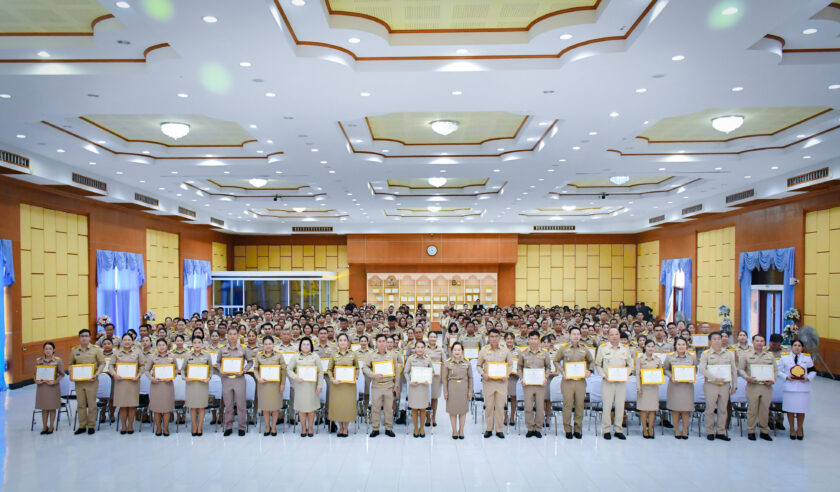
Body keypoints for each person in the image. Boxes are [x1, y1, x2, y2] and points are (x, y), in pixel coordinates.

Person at [594, 327, 633, 440]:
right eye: (612, 334)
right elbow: (598, 364)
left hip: (621, 382)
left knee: (620, 406)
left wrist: (625, 374)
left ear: (619, 336)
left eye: (616, 334)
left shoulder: (625, 349)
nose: (614, 336)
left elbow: (630, 365)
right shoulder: (603, 348)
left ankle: (618, 429)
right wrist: (604, 376)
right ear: (608, 336)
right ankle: (606, 430)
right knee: (607, 406)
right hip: (608, 381)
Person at [555, 326, 594, 439]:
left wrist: (590, 370)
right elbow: (556, 361)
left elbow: (592, 361)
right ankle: (567, 429)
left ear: (580, 336)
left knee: (580, 405)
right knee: (567, 405)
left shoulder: (584, 349)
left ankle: (577, 429)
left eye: (578, 334)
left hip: (580, 382)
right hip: (567, 382)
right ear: (569, 335)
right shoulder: (563, 348)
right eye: (574, 334)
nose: (576, 336)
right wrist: (562, 371)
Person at [215, 325, 254, 436]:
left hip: (239, 379)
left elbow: (250, 362)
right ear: (227, 336)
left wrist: (244, 370)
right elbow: (218, 362)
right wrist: (220, 369)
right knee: (228, 405)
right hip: (226, 379)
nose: (232, 336)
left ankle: (242, 427)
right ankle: (228, 426)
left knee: (241, 405)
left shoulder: (243, 349)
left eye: (234, 334)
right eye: (230, 334)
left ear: (238, 336)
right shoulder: (222, 349)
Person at [698, 331, 737, 441]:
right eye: (714, 339)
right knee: (710, 409)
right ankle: (710, 431)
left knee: (723, 409)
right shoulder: (705, 354)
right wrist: (714, 378)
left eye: (719, 339)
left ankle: (721, 432)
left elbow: (734, 370)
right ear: (710, 341)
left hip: (725, 385)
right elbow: (702, 369)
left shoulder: (728, 354)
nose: (717, 341)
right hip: (711, 385)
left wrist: (734, 385)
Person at [739, 334, 777, 441]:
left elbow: (775, 370)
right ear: (753, 342)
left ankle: (764, 431)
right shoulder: (746, 355)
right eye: (757, 341)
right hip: (753, 386)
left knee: (765, 410)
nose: (759, 343)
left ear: (764, 342)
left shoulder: (770, 356)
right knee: (752, 410)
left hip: (766, 386)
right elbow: (741, 369)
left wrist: (773, 380)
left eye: (762, 341)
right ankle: (751, 431)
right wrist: (747, 377)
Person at [68, 328, 105, 435]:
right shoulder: (74, 350)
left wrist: (96, 374)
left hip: (91, 381)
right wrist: (71, 374)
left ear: (90, 338)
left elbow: (102, 363)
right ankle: (82, 426)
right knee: (81, 404)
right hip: (79, 382)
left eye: (86, 336)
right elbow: (70, 364)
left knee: (92, 404)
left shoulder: (96, 350)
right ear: (79, 338)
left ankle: (91, 425)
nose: (84, 338)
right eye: (82, 336)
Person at [477, 328, 512, 438]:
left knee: (500, 407)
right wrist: (483, 374)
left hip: (501, 383)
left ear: (500, 338)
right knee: (489, 407)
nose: (494, 339)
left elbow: (510, 365)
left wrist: (507, 374)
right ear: (488, 337)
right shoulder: (484, 350)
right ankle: (489, 429)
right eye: (492, 336)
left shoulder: (505, 350)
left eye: (496, 336)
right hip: (489, 382)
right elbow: (478, 365)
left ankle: (499, 429)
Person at [363, 333, 400, 438]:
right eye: (379, 341)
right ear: (376, 343)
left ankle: (389, 428)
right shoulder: (371, 355)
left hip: (389, 385)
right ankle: (375, 428)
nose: (382, 343)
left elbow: (397, 371)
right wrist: (373, 375)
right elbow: (364, 367)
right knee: (376, 408)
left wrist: (396, 385)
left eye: (384, 341)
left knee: (388, 409)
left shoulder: (392, 355)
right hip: (376, 386)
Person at [778, 339, 815, 440]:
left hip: (802, 388)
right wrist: (786, 377)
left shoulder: (807, 358)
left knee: (801, 410)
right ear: (791, 347)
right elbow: (778, 371)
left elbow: (813, 371)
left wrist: (808, 378)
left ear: (802, 348)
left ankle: (799, 429)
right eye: (795, 345)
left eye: (799, 345)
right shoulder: (784, 357)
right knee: (790, 410)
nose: (797, 347)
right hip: (789, 387)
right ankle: (792, 429)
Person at [287, 337, 323, 437]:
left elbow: (320, 372)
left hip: (312, 387)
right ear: (300, 346)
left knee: (311, 408)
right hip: (300, 386)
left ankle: (310, 428)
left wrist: (319, 385)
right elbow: (289, 369)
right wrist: (295, 377)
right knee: (302, 408)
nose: (306, 346)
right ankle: (303, 428)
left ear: (311, 346)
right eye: (303, 344)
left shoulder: (315, 356)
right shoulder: (295, 356)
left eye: (308, 344)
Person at [519, 330, 550, 438]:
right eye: (531, 339)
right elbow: (519, 368)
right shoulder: (523, 353)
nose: (533, 341)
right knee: (528, 407)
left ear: (539, 340)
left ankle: (538, 428)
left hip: (540, 384)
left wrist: (546, 377)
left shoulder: (545, 353)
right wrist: (521, 378)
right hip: (527, 384)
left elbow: (548, 367)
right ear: (528, 340)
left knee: (540, 407)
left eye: (535, 339)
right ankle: (530, 428)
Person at [253, 335, 287, 436]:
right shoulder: (259, 355)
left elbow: (283, 370)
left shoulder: (279, 355)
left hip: (275, 385)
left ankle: (274, 426)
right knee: (265, 407)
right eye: (266, 344)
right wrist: (258, 378)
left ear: (273, 344)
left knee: (275, 407)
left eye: (270, 344)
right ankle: (267, 426)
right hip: (263, 385)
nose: (268, 346)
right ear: (263, 345)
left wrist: (282, 384)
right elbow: (255, 369)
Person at [327, 333, 359, 437]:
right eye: (340, 340)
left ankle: (346, 428)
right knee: (338, 406)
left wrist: (355, 377)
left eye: (345, 340)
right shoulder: (333, 354)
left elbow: (357, 368)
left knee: (347, 406)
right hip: (337, 385)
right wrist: (332, 379)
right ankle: (340, 427)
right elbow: (329, 369)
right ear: (338, 342)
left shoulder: (353, 354)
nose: (343, 342)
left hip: (349, 385)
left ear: (348, 342)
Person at [109, 333, 142, 435]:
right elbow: (110, 366)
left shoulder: (137, 352)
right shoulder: (116, 353)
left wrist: (138, 375)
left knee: (132, 405)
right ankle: (123, 426)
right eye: (125, 340)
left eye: (129, 340)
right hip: (120, 382)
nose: (127, 342)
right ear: (122, 341)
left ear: (132, 341)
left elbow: (143, 366)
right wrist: (114, 374)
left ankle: (130, 426)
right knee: (122, 405)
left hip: (133, 381)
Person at [664, 337, 696, 440]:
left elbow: (695, 369)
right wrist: (671, 376)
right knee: (675, 409)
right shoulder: (670, 357)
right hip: (675, 386)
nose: (681, 346)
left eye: (683, 344)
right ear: (675, 346)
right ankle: (677, 430)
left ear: (686, 346)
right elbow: (665, 369)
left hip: (687, 387)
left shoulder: (692, 357)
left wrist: (692, 377)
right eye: (679, 344)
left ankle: (685, 430)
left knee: (686, 409)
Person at [145, 338, 178, 436]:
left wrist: (172, 377)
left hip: (168, 385)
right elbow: (146, 370)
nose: (161, 347)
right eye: (159, 345)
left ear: (166, 346)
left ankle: (166, 429)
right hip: (156, 385)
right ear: (156, 346)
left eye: (163, 345)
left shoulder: (172, 356)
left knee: (167, 408)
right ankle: (158, 428)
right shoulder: (152, 357)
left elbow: (176, 369)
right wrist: (152, 378)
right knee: (157, 408)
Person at [442, 342, 472, 439]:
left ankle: (461, 430)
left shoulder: (467, 362)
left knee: (463, 411)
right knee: (453, 411)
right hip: (452, 388)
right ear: (452, 351)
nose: (457, 352)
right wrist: (445, 392)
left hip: (464, 388)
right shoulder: (447, 363)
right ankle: (454, 430)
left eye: (459, 349)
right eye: (455, 350)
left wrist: (470, 391)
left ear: (462, 351)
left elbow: (470, 378)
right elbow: (444, 379)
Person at [184, 335, 212, 436]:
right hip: (191, 384)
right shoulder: (187, 355)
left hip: (202, 384)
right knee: (192, 407)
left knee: (201, 407)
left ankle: (200, 427)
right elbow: (183, 370)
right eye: (195, 343)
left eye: (199, 342)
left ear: (202, 344)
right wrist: (184, 377)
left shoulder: (207, 355)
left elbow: (211, 370)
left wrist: (209, 378)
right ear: (192, 344)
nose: (197, 345)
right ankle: (194, 427)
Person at [34, 341, 64, 434]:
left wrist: (54, 382)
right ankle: (44, 427)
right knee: (44, 407)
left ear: (53, 350)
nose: (48, 350)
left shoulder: (58, 360)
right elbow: (35, 374)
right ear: (43, 350)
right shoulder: (39, 360)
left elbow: (62, 374)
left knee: (52, 407)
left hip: (53, 387)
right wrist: (36, 380)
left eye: (50, 349)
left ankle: (51, 426)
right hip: (42, 387)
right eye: (46, 349)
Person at [405, 340, 432, 438]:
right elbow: (406, 372)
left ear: (424, 348)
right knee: (414, 408)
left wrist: (429, 379)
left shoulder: (428, 359)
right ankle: (416, 428)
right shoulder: (411, 358)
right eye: (418, 347)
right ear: (415, 348)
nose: (420, 349)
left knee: (423, 408)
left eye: (422, 347)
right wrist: (409, 381)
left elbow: (432, 371)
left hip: (424, 387)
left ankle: (422, 428)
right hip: (414, 387)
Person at [636, 340, 662, 439]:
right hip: (643, 387)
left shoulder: (657, 359)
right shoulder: (640, 359)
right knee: (643, 409)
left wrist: (659, 380)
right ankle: (644, 429)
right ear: (645, 347)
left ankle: (650, 429)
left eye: (652, 346)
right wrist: (638, 388)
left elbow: (660, 372)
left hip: (653, 387)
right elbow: (637, 375)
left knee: (652, 409)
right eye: (648, 346)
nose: (650, 348)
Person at [425, 331, 443, 428]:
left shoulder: (440, 349)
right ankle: (427, 418)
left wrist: (443, 378)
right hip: (426, 376)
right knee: (426, 397)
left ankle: (433, 418)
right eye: (431, 337)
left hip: (436, 376)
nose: (433, 339)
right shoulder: (424, 349)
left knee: (434, 397)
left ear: (436, 338)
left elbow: (444, 363)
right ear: (428, 338)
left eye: (434, 337)